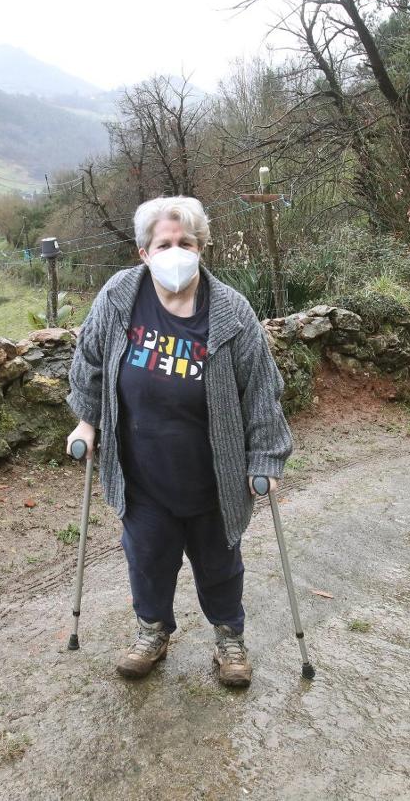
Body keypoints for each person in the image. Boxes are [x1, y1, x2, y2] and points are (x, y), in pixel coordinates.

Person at [65, 195, 292, 688]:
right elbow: (90, 361)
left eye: (185, 242)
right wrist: (87, 421)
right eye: (163, 243)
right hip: (142, 470)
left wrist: (268, 458)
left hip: (214, 473)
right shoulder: (120, 296)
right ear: (144, 252)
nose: (175, 251)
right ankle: (153, 631)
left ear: (201, 247)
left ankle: (229, 637)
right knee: (147, 557)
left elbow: (262, 391)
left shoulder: (232, 311)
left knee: (219, 563)